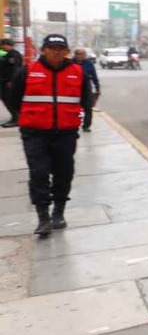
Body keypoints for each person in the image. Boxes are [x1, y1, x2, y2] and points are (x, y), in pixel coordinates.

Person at [9, 34, 93, 237]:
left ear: (66, 51)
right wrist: (29, 118)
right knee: (39, 173)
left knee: (63, 173)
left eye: (60, 48)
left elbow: (86, 101)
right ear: (43, 49)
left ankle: (59, 212)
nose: (56, 51)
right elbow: (13, 99)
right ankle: (43, 217)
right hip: (35, 133)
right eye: (52, 47)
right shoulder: (28, 71)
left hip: (65, 133)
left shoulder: (78, 73)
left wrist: (85, 122)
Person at [73, 49, 101, 132]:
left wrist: (97, 88)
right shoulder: (70, 63)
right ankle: (73, 124)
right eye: (79, 54)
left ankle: (86, 126)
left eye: (82, 54)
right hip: (73, 86)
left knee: (88, 108)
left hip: (86, 87)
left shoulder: (89, 64)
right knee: (73, 108)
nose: (80, 56)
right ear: (75, 55)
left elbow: (94, 76)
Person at [0, 37, 23, 127]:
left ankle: (16, 118)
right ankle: (14, 117)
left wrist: (12, 81)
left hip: (9, 82)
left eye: (3, 45)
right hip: (4, 80)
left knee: (9, 100)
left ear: (8, 45)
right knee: (5, 99)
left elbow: (15, 69)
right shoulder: (7, 54)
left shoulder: (14, 55)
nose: (2, 47)